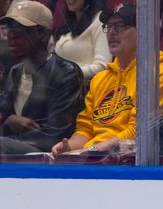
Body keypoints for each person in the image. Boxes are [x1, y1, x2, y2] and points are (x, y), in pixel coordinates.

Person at [52, 1, 162, 156]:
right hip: (94, 157)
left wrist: (92, 150)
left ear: (143, 31)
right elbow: (85, 129)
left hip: (128, 161)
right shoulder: (100, 79)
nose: (112, 32)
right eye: (109, 26)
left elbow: (139, 132)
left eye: (120, 26)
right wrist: (69, 146)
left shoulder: (156, 72)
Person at [0, 1, 84, 156]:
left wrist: (4, 134)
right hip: (6, 145)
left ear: (44, 34)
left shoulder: (66, 72)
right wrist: (10, 120)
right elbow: (0, 121)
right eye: (8, 29)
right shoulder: (15, 72)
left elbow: (55, 135)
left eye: (19, 29)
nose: (11, 35)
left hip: (44, 152)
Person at [53, 0, 109, 85]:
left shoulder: (100, 21)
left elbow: (102, 66)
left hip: (85, 92)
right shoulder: (69, 22)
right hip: (60, 87)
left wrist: (67, 74)